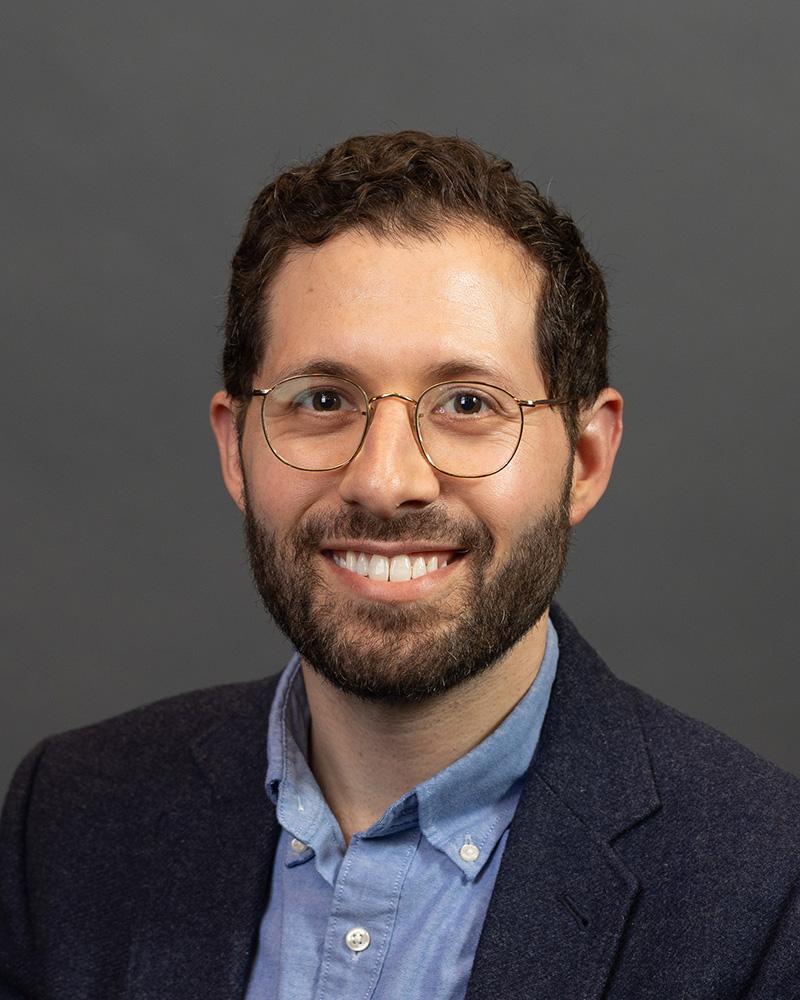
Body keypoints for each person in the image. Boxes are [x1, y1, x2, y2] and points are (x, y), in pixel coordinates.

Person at [1, 131, 799, 1000]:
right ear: (236, 451)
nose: (385, 481)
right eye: (322, 400)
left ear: (586, 459)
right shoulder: (71, 818)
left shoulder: (768, 888)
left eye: (467, 404)